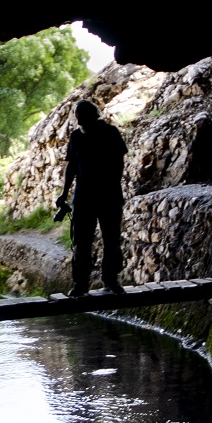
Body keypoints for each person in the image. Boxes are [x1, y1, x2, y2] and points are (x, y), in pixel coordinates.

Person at [56, 99, 129, 297]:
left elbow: (119, 164)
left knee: (111, 240)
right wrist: (64, 192)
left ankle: (111, 281)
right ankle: (81, 284)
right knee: (81, 241)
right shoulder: (76, 137)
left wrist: (111, 184)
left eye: (81, 115)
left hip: (108, 195)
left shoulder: (111, 133)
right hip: (83, 198)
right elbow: (71, 167)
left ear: (92, 115)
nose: (79, 120)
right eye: (77, 116)